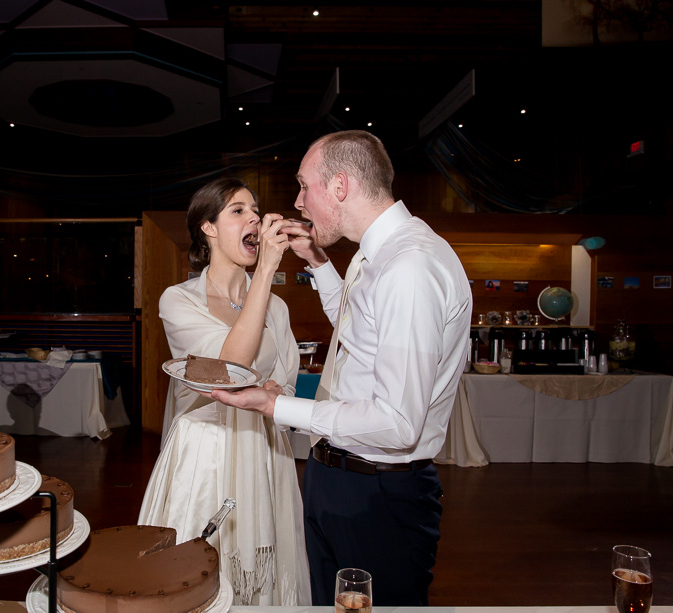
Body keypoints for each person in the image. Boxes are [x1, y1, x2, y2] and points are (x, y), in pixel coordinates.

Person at [211, 131, 472, 606]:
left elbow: (397, 423)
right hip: (338, 476)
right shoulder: (377, 256)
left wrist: (278, 406)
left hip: (378, 495)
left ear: (339, 187)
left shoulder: (408, 268)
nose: (297, 201)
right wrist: (318, 262)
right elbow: (358, 332)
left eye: (304, 185)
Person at [138, 177, 311, 606]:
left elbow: (287, 379)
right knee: (198, 571)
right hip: (205, 455)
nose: (254, 217)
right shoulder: (178, 301)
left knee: (265, 572)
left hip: (264, 450)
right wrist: (266, 269)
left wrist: (276, 389)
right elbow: (228, 370)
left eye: (256, 209)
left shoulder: (277, 306)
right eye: (238, 210)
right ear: (208, 228)